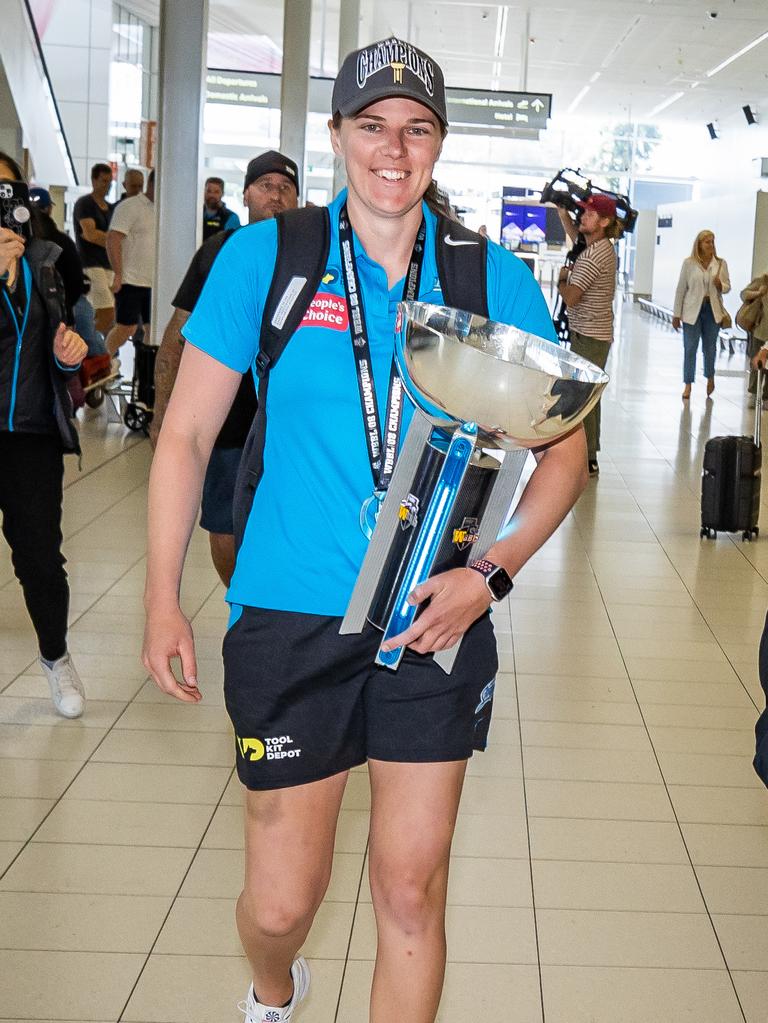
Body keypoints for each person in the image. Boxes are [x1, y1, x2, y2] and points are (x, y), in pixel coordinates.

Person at [142, 37, 587, 1023]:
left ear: (439, 144)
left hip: (435, 613)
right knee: (279, 902)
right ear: (337, 136)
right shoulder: (271, 258)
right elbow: (183, 436)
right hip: (291, 614)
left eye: (417, 129)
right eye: (373, 127)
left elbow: (564, 454)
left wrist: (494, 576)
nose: (395, 149)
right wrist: (161, 597)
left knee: (409, 893)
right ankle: (272, 987)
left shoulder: (487, 280)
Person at [151, 151, 300, 585]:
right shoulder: (218, 251)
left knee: (284, 526)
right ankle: (242, 604)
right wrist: (162, 414)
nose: (275, 196)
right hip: (227, 418)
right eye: (266, 186)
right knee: (223, 529)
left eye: (285, 187)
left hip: (287, 420)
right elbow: (179, 335)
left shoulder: (312, 254)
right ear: (247, 194)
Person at [0, 153, 88, 718]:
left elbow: (55, 344)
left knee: (38, 558)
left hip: (28, 433)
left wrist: (67, 355)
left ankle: (56, 657)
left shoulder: (48, 259)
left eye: (8, 190)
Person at [556, 195, 621, 476]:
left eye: (589, 214)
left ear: (604, 222)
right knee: (586, 394)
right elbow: (576, 235)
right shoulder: (600, 246)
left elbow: (571, 297)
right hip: (592, 332)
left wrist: (561, 279)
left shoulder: (594, 256)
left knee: (585, 396)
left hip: (590, 336)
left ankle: (588, 456)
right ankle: (587, 453)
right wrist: (562, 213)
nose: (582, 218)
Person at [672, 230, 731, 400]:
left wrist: (721, 285)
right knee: (690, 348)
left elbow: (727, 286)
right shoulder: (689, 264)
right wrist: (677, 315)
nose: (711, 245)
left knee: (710, 348)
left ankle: (710, 377)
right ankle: (688, 384)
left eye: (712, 242)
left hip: (712, 310)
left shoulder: (720, 264)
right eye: (707, 242)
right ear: (699, 244)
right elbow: (681, 289)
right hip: (692, 311)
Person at [105, 169, 155, 359]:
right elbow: (113, 239)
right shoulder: (130, 206)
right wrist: (118, 273)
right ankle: (103, 362)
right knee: (126, 328)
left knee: (153, 330)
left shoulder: (163, 210)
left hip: (153, 283)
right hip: (131, 280)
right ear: (153, 184)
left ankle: (147, 375)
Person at [72, 162, 114, 334]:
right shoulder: (85, 204)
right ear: (94, 180)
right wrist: (112, 240)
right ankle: (92, 348)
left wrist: (105, 238)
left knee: (106, 313)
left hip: (109, 266)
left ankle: (100, 351)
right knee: (107, 311)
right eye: (104, 181)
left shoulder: (111, 208)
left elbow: (113, 238)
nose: (107, 185)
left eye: (110, 182)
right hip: (91, 265)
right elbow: (90, 234)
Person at [743, 272, 768, 408]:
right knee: (757, 364)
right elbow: (744, 294)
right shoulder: (762, 280)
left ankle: (767, 397)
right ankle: (753, 393)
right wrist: (758, 293)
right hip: (760, 330)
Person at [202, 176, 241, 241]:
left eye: (216, 192)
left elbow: (232, 244)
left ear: (222, 194)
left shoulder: (231, 218)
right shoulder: (196, 215)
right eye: (209, 191)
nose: (212, 195)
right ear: (204, 192)